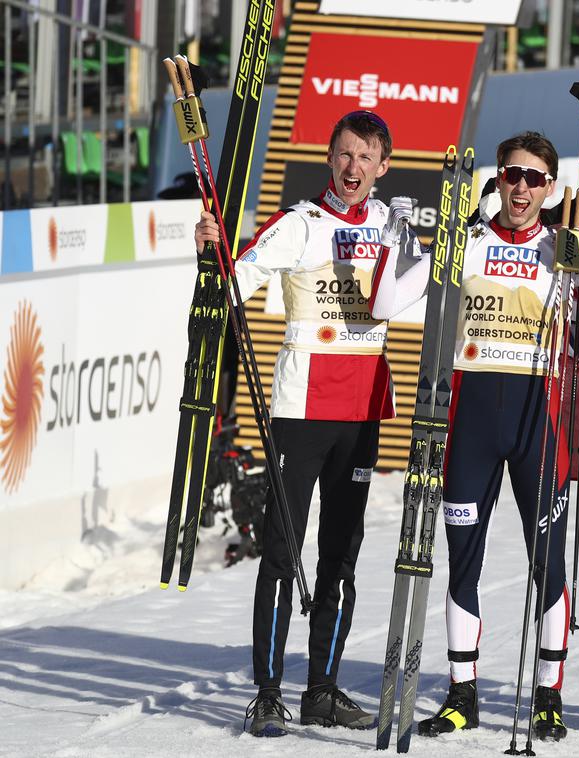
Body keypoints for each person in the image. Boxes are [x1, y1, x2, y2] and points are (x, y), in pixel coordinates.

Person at [369, 131, 579, 742]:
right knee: (463, 561)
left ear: (551, 189)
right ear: (499, 180)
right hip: (471, 421)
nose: (523, 188)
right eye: (513, 175)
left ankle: (550, 696)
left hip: (540, 422)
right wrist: (394, 246)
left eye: (536, 179)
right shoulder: (469, 243)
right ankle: (462, 694)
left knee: (549, 563)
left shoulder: (562, 249)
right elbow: (384, 304)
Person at [194, 110, 422, 738]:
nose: (353, 168)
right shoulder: (301, 223)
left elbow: (423, 291)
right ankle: (268, 693)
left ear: (383, 167)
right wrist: (210, 250)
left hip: (364, 411)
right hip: (301, 409)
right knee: (281, 551)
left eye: (366, 158)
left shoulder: (391, 225)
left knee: (341, 557)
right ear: (330, 157)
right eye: (344, 155)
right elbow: (235, 278)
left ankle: (322, 687)